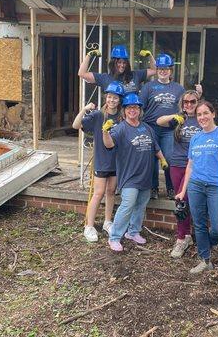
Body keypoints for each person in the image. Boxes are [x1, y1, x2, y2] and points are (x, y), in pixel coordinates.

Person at [175, 101, 218, 274]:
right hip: (196, 185)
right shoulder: (196, 138)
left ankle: (205, 246)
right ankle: (205, 260)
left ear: (213, 114)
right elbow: (190, 166)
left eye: (205, 113)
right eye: (199, 114)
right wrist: (183, 190)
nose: (202, 117)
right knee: (200, 224)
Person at [102, 92, 168, 252]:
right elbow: (109, 145)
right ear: (124, 111)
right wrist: (105, 132)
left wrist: (163, 159)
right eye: (129, 108)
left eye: (136, 107)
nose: (133, 110)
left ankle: (132, 232)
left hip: (145, 176)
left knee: (140, 205)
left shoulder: (147, 128)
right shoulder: (120, 129)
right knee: (128, 205)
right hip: (129, 176)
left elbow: (155, 147)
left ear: (140, 110)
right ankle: (114, 237)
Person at [140, 53, 201, 200]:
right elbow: (141, 107)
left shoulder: (178, 88)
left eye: (166, 68)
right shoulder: (149, 87)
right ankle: (153, 188)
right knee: (152, 159)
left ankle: (171, 188)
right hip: (151, 128)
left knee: (168, 158)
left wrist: (198, 94)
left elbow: (188, 103)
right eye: (160, 68)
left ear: (171, 70)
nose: (163, 71)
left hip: (170, 129)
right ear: (157, 69)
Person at [72, 81, 125, 242]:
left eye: (115, 98)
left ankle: (108, 222)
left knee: (111, 192)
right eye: (109, 97)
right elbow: (76, 125)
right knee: (98, 193)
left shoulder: (123, 117)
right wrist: (84, 109)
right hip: (102, 160)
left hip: (117, 160)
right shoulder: (98, 115)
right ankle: (89, 226)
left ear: (119, 100)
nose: (112, 100)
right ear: (106, 98)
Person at [156, 90, 202, 258]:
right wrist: (174, 117)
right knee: (180, 201)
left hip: (196, 166)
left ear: (198, 102)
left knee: (185, 200)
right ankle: (185, 236)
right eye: (186, 102)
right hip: (177, 164)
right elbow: (159, 121)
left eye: (193, 101)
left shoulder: (201, 118)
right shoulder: (178, 119)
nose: (189, 105)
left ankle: (182, 237)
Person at [78, 45, 156, 94]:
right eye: (119, 62)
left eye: (124, 63)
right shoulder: (104, 78)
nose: (122, 65)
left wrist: (150, 56)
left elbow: (154, 70)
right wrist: (89, 55)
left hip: (131, 115)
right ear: (113, 63)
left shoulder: (135, 75)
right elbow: (82, 73)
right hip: (112, 117)